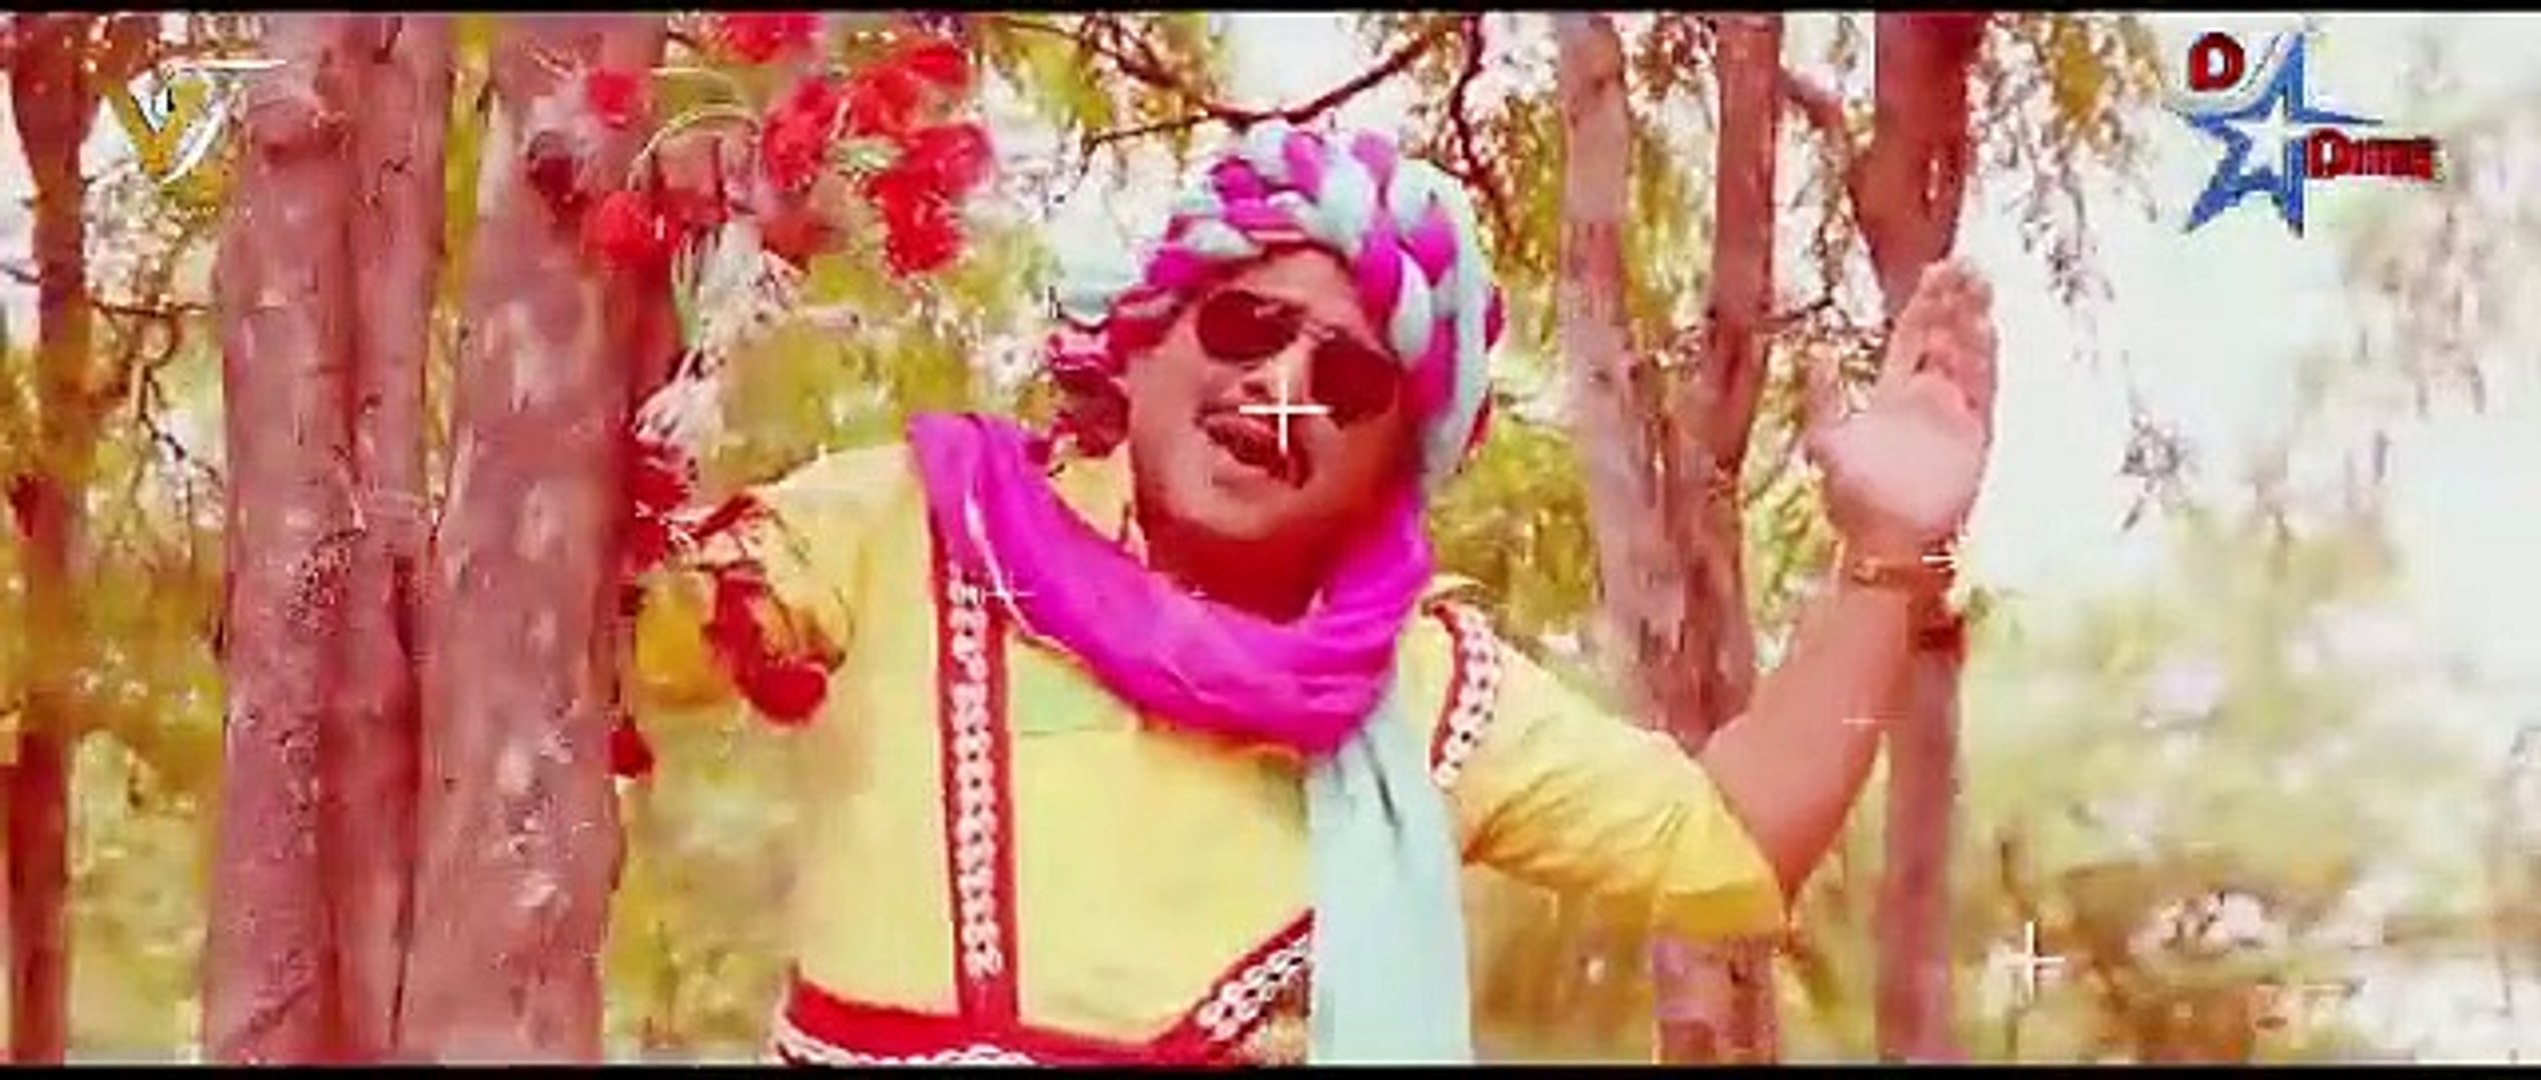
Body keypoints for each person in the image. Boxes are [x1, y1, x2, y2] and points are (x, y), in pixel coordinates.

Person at [623, 120, 1998, 1066]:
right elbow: (620, 637)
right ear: (1143, 338)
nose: (1279, 391)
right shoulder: (916, 526)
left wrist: (1886, 557)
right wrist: (648, 279)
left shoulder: (1420, 690)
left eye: (1347, 379)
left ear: (1396, 465)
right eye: (1247, 324)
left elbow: (1735, 846)